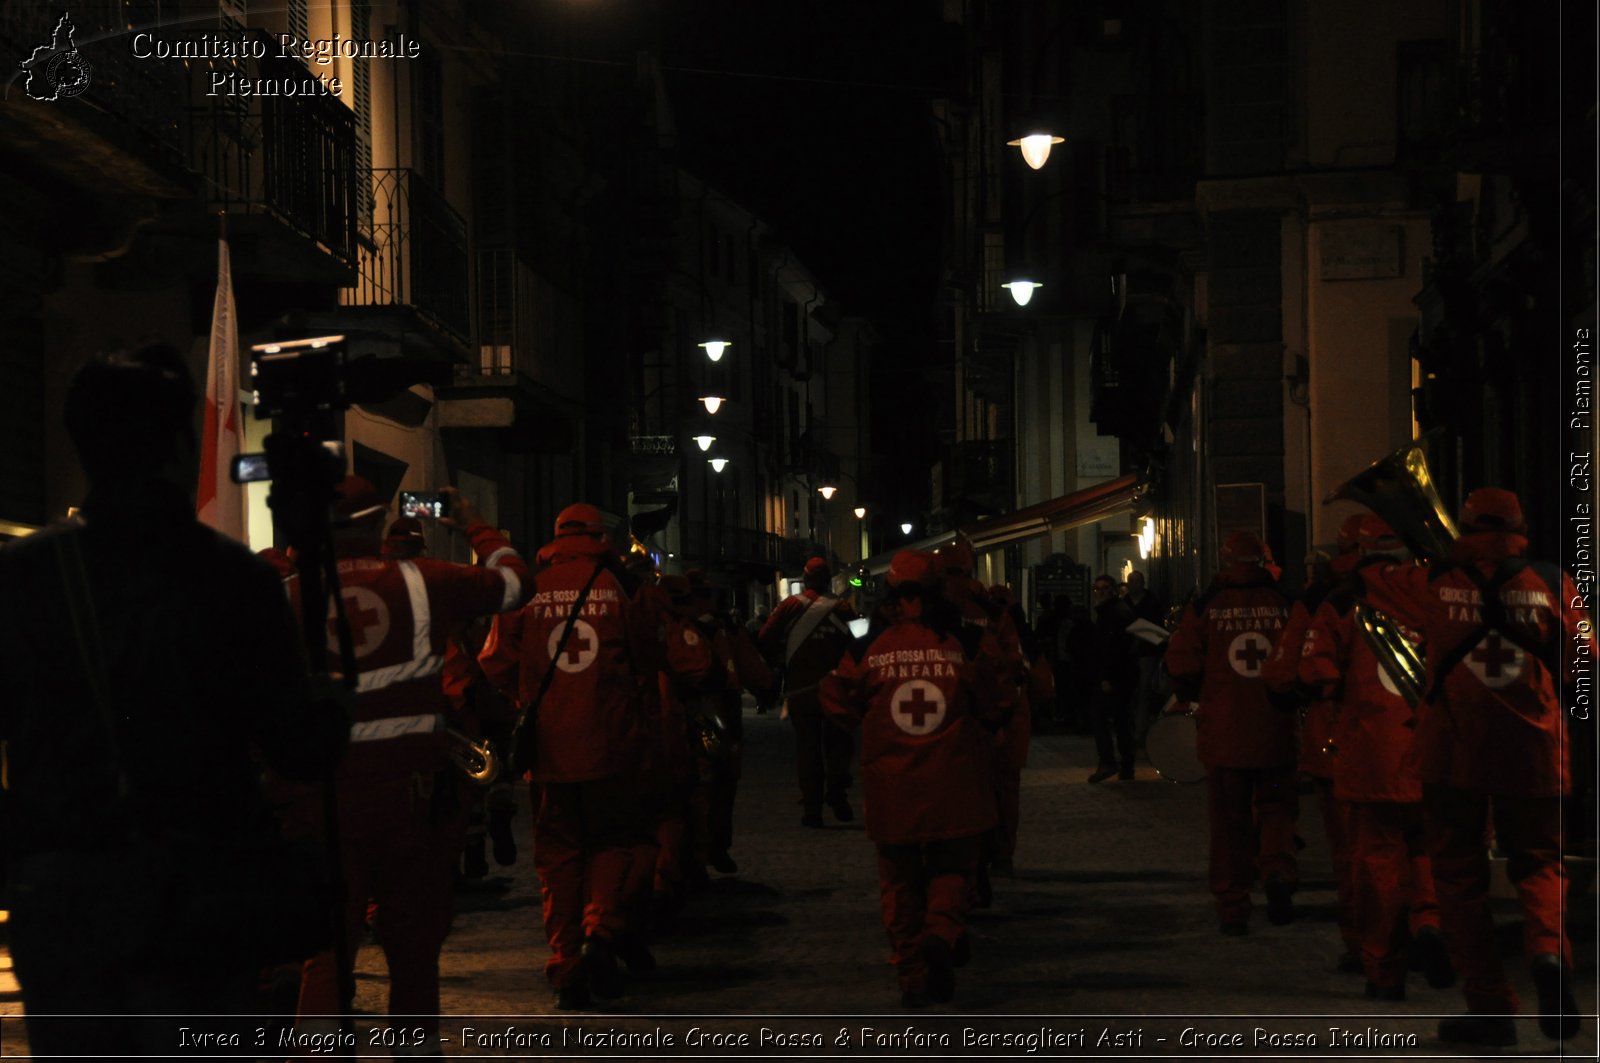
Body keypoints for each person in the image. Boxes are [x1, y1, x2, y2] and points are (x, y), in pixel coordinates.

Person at [0, 345, 347, 1056]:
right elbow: (299, 748)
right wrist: (333, 700)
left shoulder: (24, 576)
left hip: (67, 898)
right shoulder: (232, 579)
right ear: (180, 441)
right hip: (201, 896)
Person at [288, 476, 531, 1044]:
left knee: (324, 954)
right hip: (411, 800)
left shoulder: (287, 595)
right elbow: (519, 584)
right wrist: (471, 520)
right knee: (413, 953)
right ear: (378, 524)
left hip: (323, 805)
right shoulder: (427, 581)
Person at [1355, 488, 1591, 1047]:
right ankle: (1549, 954)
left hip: (1453, 753)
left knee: (1459, 877)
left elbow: (1372, 583)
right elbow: (1585, 655)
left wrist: (1376, 555)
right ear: (1520, 525)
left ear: (1463, 525)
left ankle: (1490, 1008)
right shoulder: (1552, 580)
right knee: (1541, 863)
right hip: (1533, 751)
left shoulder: (1433, 582)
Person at [478, 503, 659, 1009]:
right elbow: (650, 659)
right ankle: (600, 933)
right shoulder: (623, 587)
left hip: (550, 750)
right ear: (601, 537)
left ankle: (565, 968)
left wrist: (529, 698)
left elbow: (494, 661)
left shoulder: (529, 590)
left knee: (557, 859)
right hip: (613, 744)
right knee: (612, 843)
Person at [819, 549, 1013, 1008]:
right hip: (953, 783)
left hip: (893, 788)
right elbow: (994, 696)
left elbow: (835, 699)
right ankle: (941, 936)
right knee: (952, 871)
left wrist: (867, 723)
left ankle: (912, 976)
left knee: (900, 885)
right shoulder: (961, 640)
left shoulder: (867, 644)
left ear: (891, 596)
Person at [1301, 515, 1452, 1001]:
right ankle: (1429, 922)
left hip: (1372, 761)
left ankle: (1384, 971)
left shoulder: (1343, 602)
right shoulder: (1441, 595)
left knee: (1377, 866)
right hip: (1436, 753)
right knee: (1431, 851)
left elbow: (1314, 672)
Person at [1164, 530, 1296, 935]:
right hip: (1275, 727)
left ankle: (1233, 904)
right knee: (1276, 812)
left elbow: (1182, 664)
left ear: (1225, 562)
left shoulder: (1207, 605)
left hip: (1223, 732)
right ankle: (1277, 873)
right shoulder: (1285, 602)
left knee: (1228, 823)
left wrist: (1192, 690)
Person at [1261, 518, 1362, 973]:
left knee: (1354, 851)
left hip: (1337, 741)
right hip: (1417, 741)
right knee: (1418, 847)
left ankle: (1368, 947)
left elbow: (1289, 672)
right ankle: (1422, 923)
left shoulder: (1322, 600)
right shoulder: (1432, 588)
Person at [760, 557, 860, 826]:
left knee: (808, 749)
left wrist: (780, 663)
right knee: (839, 744)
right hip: (836, 688)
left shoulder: (789, 607)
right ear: (828, 580)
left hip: (801, 692)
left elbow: (765, 639)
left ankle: (812, 809)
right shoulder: (842, 608)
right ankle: (837, 792)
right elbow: (862, 643)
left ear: (804, 579)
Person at [1086, 574, 1139, 783]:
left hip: (1116, 676)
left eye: (1104, 589)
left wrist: (1108, 676)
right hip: (1123, 675)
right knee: (1122, 721)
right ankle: (1127, 765)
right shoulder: (1114, 611)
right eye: (1097, 589)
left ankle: (1108, 761)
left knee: (1101, 717)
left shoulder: (1112, 613)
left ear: (1114, 590)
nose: (1100, 593)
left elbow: (1114, 648)